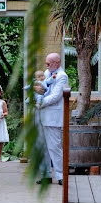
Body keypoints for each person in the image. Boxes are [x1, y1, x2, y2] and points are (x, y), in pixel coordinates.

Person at [35, 53, 68, 185]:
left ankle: (61, 176)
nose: (46, 66)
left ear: (57, 63)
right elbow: (41, 88)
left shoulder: (62, 76)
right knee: (41, 147)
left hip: (52, 116)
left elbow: (56, 96)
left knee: (54, 147)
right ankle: (46, 175)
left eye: (48, 63)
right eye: (46, 63)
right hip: (41, 115)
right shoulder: (47, 72)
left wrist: (40, 101)